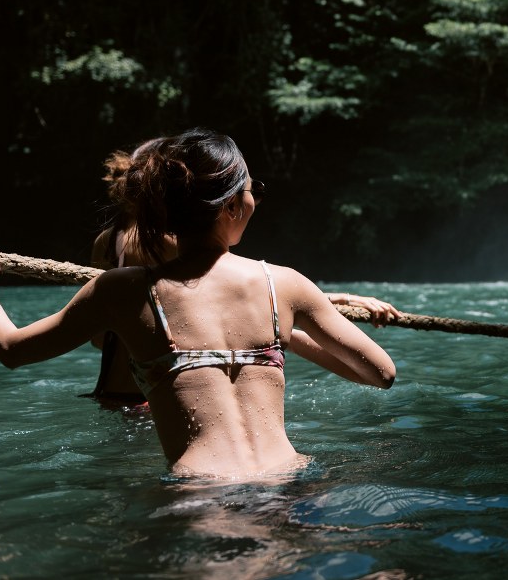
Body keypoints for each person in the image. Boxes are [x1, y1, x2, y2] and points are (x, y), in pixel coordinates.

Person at [0, 128, 397, 478]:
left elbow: (12, 349)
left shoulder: (121, 290)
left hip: (201, 490)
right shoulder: (283, 284)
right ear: (236, 206)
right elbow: (380, 373)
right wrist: (283, 336)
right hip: (291, 477)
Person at [87, 142, 401, 408]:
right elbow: (234, 294)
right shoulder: (171, 240)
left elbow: (101, 338)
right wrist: (299, 315)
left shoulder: (110, 239)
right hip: (157, 398)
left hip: (114, 394)